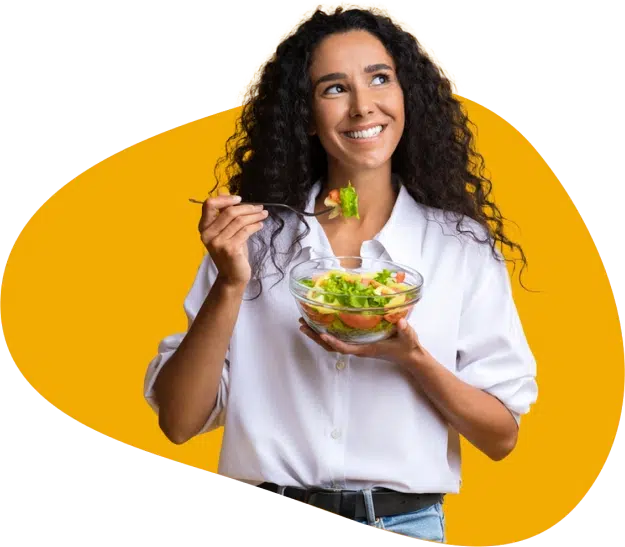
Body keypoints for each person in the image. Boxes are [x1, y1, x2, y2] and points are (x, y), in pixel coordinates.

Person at [143, 4, 538, 543]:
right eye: (334, 89)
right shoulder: (255, 240)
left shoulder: (458, 247)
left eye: (380, 79)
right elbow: (179, 422)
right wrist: (231, 283)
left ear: (405, 97)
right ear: (306, 115)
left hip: (406, 525)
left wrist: (413, 359)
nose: (362, 106)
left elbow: (501, 438)